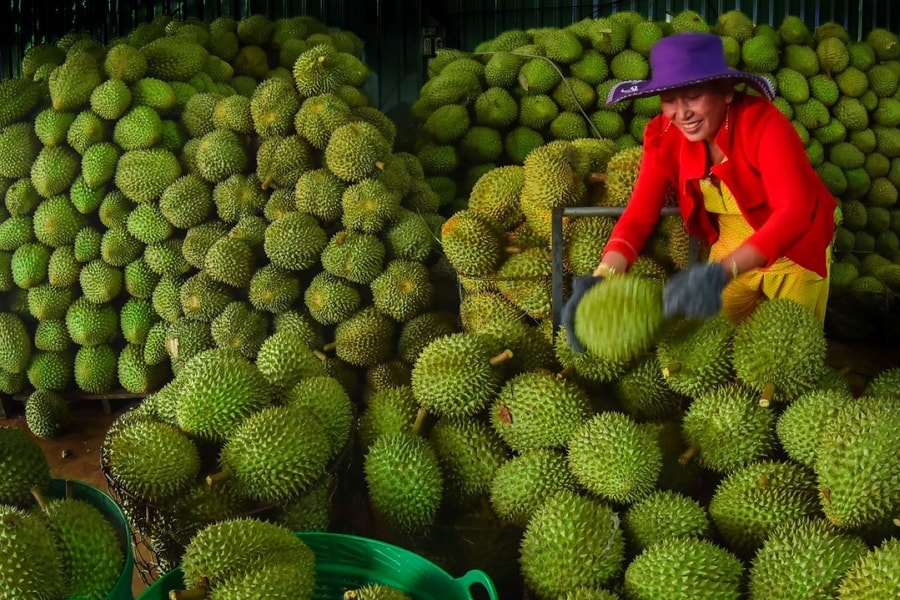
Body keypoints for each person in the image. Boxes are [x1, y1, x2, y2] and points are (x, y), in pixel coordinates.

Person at [563, 32, 836, 349]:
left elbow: (794, 213)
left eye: (693, 96)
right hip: (731, 245)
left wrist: (720, 273)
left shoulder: (764, 124)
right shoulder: (663, 134)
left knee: (789, 354)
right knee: (713, 345)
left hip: (796, 248)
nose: (682, 113)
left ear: (726, 93)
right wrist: (605, 272)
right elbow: (640, 213)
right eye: (669, 100)